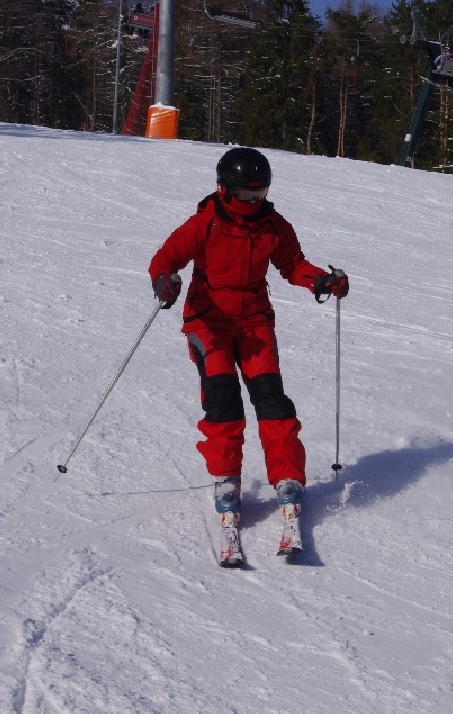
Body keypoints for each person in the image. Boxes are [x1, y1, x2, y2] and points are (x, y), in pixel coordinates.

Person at [147, 147, 349, 559]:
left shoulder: (273, 225)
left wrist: (321, 280)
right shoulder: (205, 222)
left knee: (272, 398)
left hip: (254, 321)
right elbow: (165, 258)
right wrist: (164, 280)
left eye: (260, 194)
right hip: (208, 321)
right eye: (246, 195)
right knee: (223, 398)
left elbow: (292, 263)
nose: (253, 202)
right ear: (224, 189)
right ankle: (226, 477)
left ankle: (287, 478)